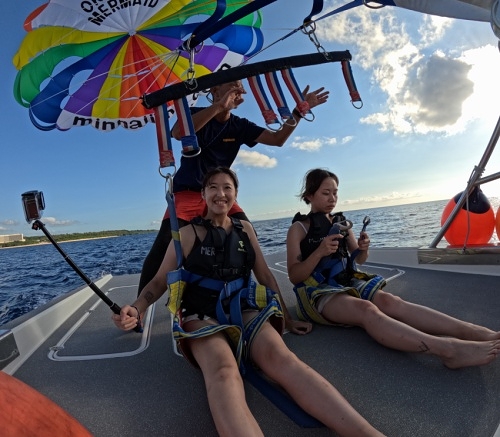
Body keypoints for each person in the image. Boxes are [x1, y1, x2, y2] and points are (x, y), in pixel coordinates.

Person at [114, 167, 384, 437]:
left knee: (283, 359)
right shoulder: (187, 235)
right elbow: (159, 281)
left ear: (235, 194)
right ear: (203, 194)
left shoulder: (245, 230)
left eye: (227, 187)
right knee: (223, 371)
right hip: (201, 315)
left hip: (243, 308)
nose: (220, 193)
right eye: (213, 187)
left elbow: (265, 276)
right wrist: (136, 308)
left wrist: (288, 320)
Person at [286, 168, 500, 369]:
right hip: (317, 292)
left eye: (335, 193)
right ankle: (449, 350)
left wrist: (363, 248)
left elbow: (361, 260)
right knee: (366, 310)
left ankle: (470, 331)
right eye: (326, 193)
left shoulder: (342, 223)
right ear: (309, 195)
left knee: (391, 302)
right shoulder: (299, 229)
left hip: (345, 282)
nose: (332, 198)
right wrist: (319, 252)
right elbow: (295, 276)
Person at [138, 80, 329, 294]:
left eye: (241, 88)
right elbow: (177, 133)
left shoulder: (240, 126)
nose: (239, 91)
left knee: (247, 237)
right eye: (233, 85)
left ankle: (253, 295)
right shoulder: (193, 113)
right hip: (188, 192)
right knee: (166, 242)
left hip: (221, 195)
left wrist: (298, 112)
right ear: (214, 89)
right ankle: (138, 308)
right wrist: (219, 106)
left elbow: (277, 139)